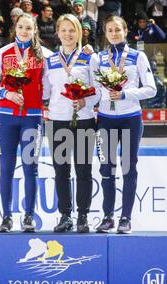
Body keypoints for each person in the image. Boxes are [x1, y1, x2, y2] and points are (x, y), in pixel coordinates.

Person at [0, 13, 53, 232]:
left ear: (35, 31)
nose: (24, 31)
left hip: (32, 119)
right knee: (6, 168)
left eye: (29, 28)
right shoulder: (2, 53)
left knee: (30, 168)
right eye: (21, 27)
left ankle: (29, 217)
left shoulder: (45, 55)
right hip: (6, 117)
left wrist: (41, 95)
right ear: (15, 28)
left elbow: (52, 85)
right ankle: (6, 217)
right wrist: (6, 92)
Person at [90, 16, 157, 234]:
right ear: (105, 33)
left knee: (128, 167)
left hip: (130, 118)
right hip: (105, 120)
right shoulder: (98, 58)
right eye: (110, 30)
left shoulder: (138, 56)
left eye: (117, 29)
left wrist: (125, 93)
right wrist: (83, 100)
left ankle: (126, 218)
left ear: (125, 30)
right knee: (106, 168)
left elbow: (151, 89)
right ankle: (108, 216)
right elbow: (95, 91)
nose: (114, 33)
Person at [42, 14, 100, 233]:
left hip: (84, 120)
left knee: (83, 170)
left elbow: (99, 89)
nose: (68, 34)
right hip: (57, 120)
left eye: (72, 30)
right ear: (57, 32)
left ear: (79, 33)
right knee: (61, 170)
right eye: (64, 30)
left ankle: (83, 216)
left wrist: (86, 99)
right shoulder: (50, 61)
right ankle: (65, 215)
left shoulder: (89, 58)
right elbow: (47, 91)